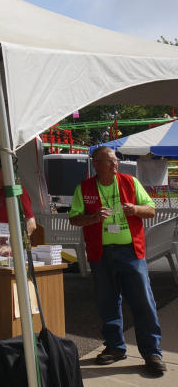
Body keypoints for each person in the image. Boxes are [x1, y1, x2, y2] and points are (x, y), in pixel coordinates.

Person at [68, 146, 165, 374]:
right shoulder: (85, 188)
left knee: (143, 302)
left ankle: (152, 352)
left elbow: (151, 210)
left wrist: (136, 209)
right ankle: (115, 347)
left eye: (116, 160)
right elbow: (74, 218)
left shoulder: (130, 182)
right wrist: (92, 218)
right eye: (109, 161)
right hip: (101, 254)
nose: (115, 164)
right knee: (107, 302)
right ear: (96, 164)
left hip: (131, 251)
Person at [0, 154, 37, 235]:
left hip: (11, 244)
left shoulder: (16, 190)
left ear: (5, 170)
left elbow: (31, 223)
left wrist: (15, 243)